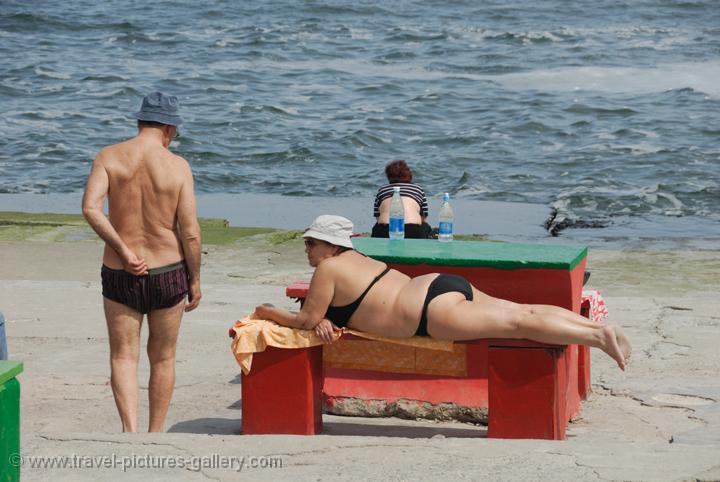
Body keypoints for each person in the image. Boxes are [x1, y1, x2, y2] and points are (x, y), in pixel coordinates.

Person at [255, 215, 632, 370]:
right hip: (439, 285)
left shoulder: (328, 268)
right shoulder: (358, 258)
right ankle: (596, 330)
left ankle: (597, 336)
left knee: (519, 323)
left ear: (328, 245)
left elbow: (305, 319)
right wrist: (321, 321)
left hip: (428, 313)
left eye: (310, 244)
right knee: (524, 310)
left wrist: (269, 312)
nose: (307, 251)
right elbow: (324, 317)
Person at [82, 92, 202, 432]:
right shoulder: (177, 166)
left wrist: (122, 249)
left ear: (139, 121)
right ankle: (155, 433)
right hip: (167, 271)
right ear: (170, 128)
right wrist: (195, 279)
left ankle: (130, 430)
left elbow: (91, 208)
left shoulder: (109, 156)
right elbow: (191, 233)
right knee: (162, 357)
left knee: (123, 355)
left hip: (121, 271)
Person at [371, 160, 433, 239]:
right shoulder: (417, 188)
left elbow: (377, 216)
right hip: (414, 230)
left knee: (376, 228)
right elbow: (424, 216)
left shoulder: (382, 190)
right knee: (426, 227)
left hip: (385, 231)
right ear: (409, 174)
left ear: (388, 176)